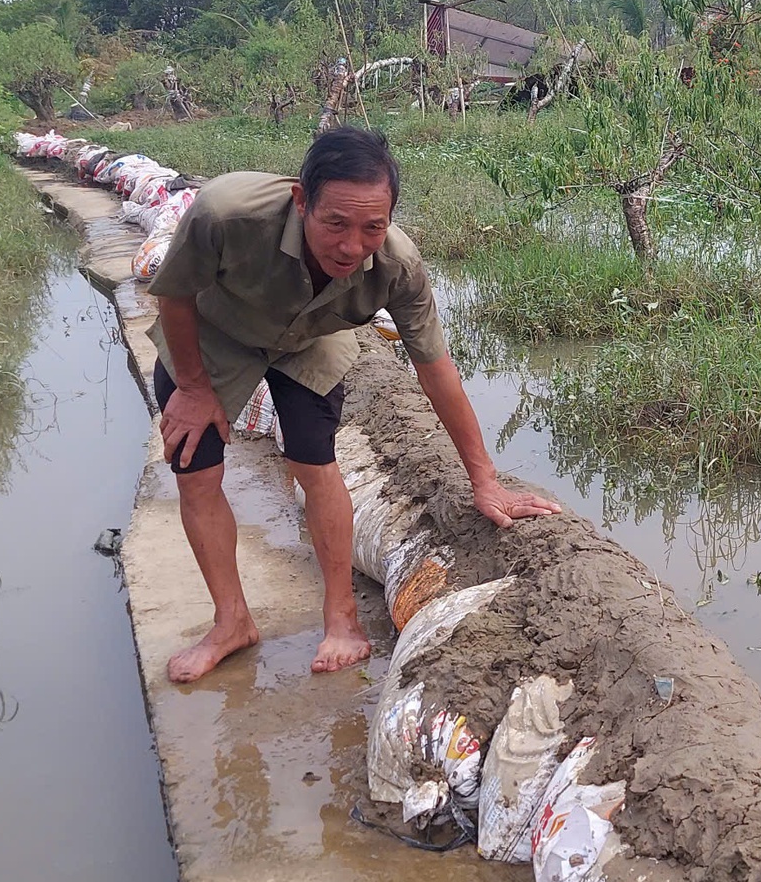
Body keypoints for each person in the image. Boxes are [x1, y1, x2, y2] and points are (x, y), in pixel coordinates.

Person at [145, 126, 561, 683]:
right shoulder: (226, 213)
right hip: (216, 333)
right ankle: (231, 622)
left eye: (372, 227)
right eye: (334, 223)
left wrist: (484, 480)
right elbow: (174, 292)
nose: (350, 246)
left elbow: (435, 369)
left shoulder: (398, 266)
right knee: (195, 472)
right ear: (301, 200)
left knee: (316, 464)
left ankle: (341, 617)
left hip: (312, 339)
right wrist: (194, 388)